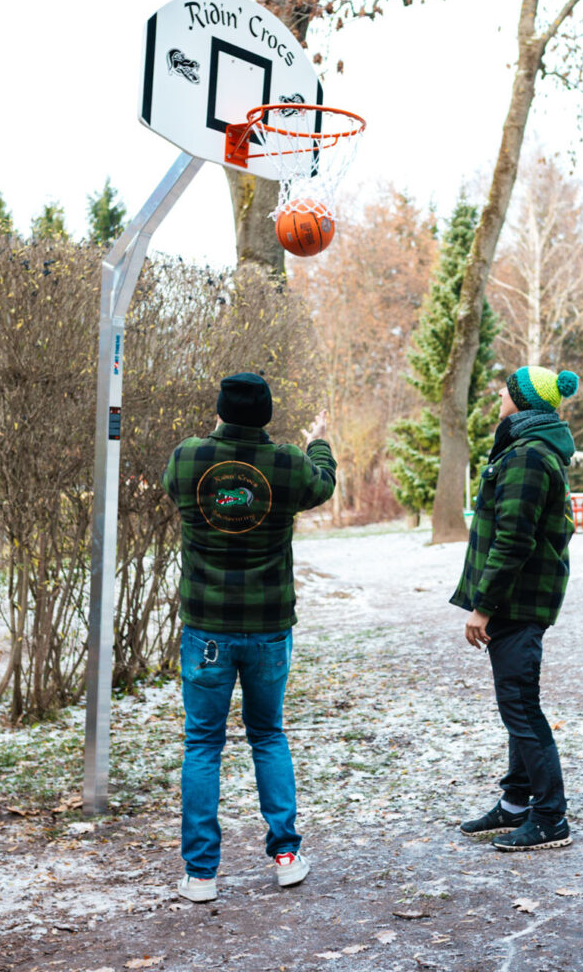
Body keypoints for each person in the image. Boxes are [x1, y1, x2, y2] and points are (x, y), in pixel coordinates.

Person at [162, 372, 336, 900]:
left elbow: (177, 489)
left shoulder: (188, 458)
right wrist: (319, 442)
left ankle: (200, 874)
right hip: (267, 629)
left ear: (219, 410)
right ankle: (285, 855)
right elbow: (322, 483)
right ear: (266, 415)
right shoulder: (286, 464)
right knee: (267, 735)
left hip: (206, 631)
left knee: (202, 745)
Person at [451, 364, 578, 852]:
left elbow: (514, 539)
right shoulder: (526, 448)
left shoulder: (528, 456)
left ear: (523, 402)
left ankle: (549, 818)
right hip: (518, 599)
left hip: (517, 602)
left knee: (521, 708)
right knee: (516, 707)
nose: (498, 394)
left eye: (505, 389)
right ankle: (515, 805)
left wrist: (482, 607)